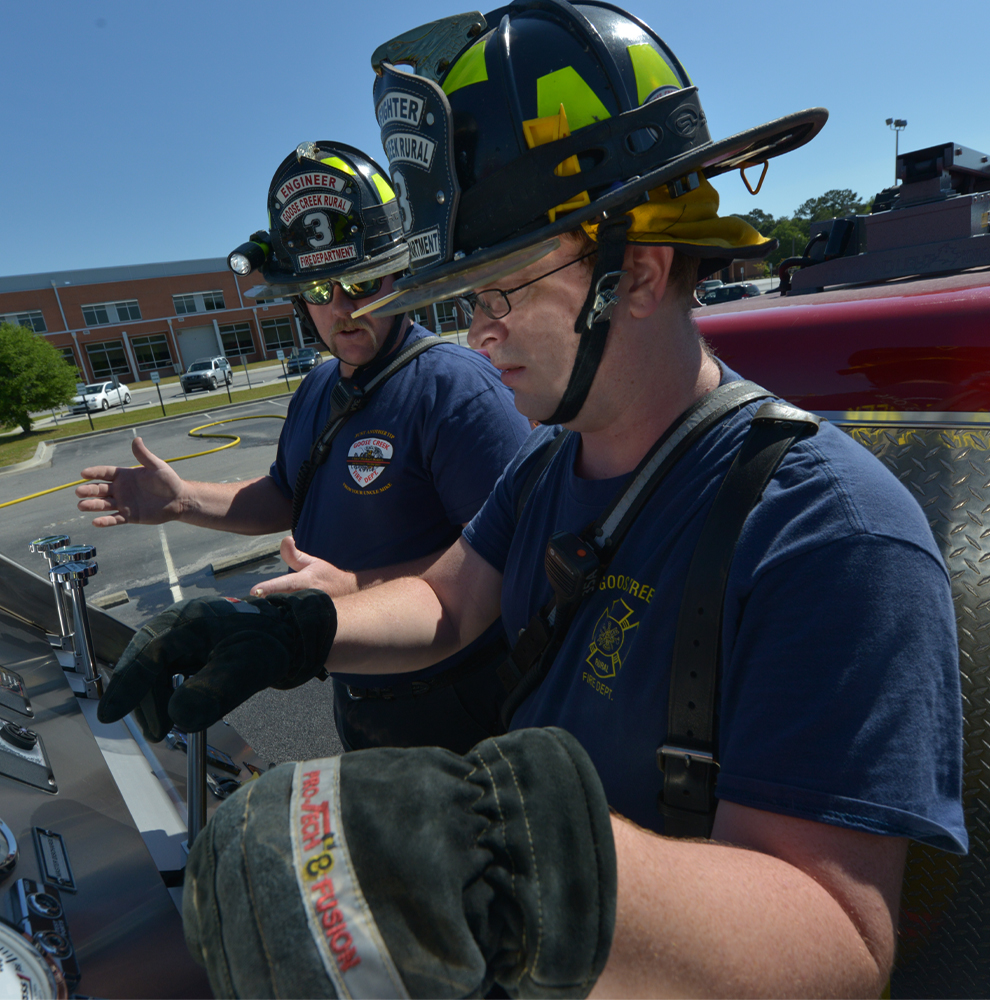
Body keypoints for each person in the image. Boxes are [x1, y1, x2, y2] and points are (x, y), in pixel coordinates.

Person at [99, 5, 967, 997]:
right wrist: (293, 631)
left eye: (501, 292)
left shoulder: (829, 534)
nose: (477, 334)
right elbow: (450, 599)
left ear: (636, 271)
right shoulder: (556, 462)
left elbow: (838, 945)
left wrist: (510, 855)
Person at [77, 140, 531, 753]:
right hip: (358, 689)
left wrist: (353, 588)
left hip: (463, 703)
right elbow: (288, 494)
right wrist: (184, 499)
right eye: (320, 292)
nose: (343, 310)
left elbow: (511, 563)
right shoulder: (320, 386)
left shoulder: (457, 390)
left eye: (364, 282)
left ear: (401, 274)